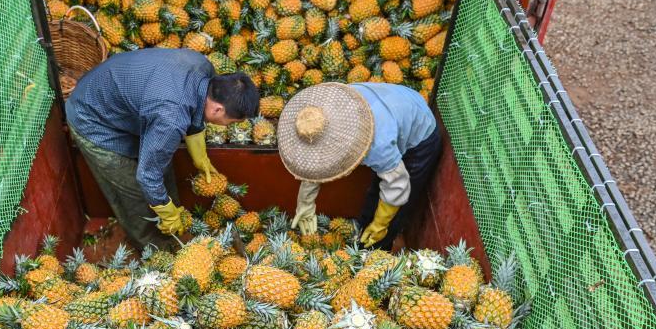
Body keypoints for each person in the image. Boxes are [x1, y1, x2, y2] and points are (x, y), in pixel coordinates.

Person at [66, 48, 259, 248]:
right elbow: (147, 176)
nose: (229, 126)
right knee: (135, 193)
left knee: (161, 167)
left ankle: (170, 232)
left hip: (123, 102)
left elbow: (192, 109)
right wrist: (168, 214)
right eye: (231, 122)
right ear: (217, 109)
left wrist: (200, 156)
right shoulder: (171, 118)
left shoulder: (202, 66)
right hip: (92, 119)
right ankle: (153, 249)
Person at [277, 82, 441, 250]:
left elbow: (397, 185)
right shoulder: (325, 108)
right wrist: (305, 202)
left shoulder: (378, 144)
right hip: (393, 105)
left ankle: (376, 250)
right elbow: (317, 158)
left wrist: (380, 225)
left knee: (395, 212)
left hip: (420, 134)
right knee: (374, 193)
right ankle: (360, 235)